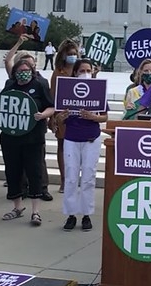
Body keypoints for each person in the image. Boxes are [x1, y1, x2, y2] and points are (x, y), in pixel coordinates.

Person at [0, 59, 56, 226]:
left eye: (26, 70)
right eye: (19, 70)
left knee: (34, 173)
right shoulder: (10, 85)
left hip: (33, 138)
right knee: (13, 172)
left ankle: (35, 211)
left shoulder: (39, 85)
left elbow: (51, 107)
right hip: (11, 137)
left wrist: (42, 115)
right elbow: (0, 104)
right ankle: (17, 208)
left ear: (32, 71)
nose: (23, 73)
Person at [62, 59, 108, 231]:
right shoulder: (67, 90)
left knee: (88, 176)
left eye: (88, 70)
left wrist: (93, 117)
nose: (86, 73)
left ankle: (87, 214)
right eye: (82, 70)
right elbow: (59, 116)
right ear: (75, 72)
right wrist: (62, 116)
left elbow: (105, 116)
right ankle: (71, 214)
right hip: (72, 138)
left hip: (91, 138)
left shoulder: (98, 90)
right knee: (71, 176)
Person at [49, 39, 80, 194]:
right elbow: (53, 95)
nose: (73, 57)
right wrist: (53, 117)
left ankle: (74, 178)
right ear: (63, 55)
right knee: (62, 146)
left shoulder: (80, 70)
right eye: (70, 54)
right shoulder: (58, 73)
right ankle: (63, 179)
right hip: (62, 113)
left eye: (75, 54)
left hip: (79, 114)